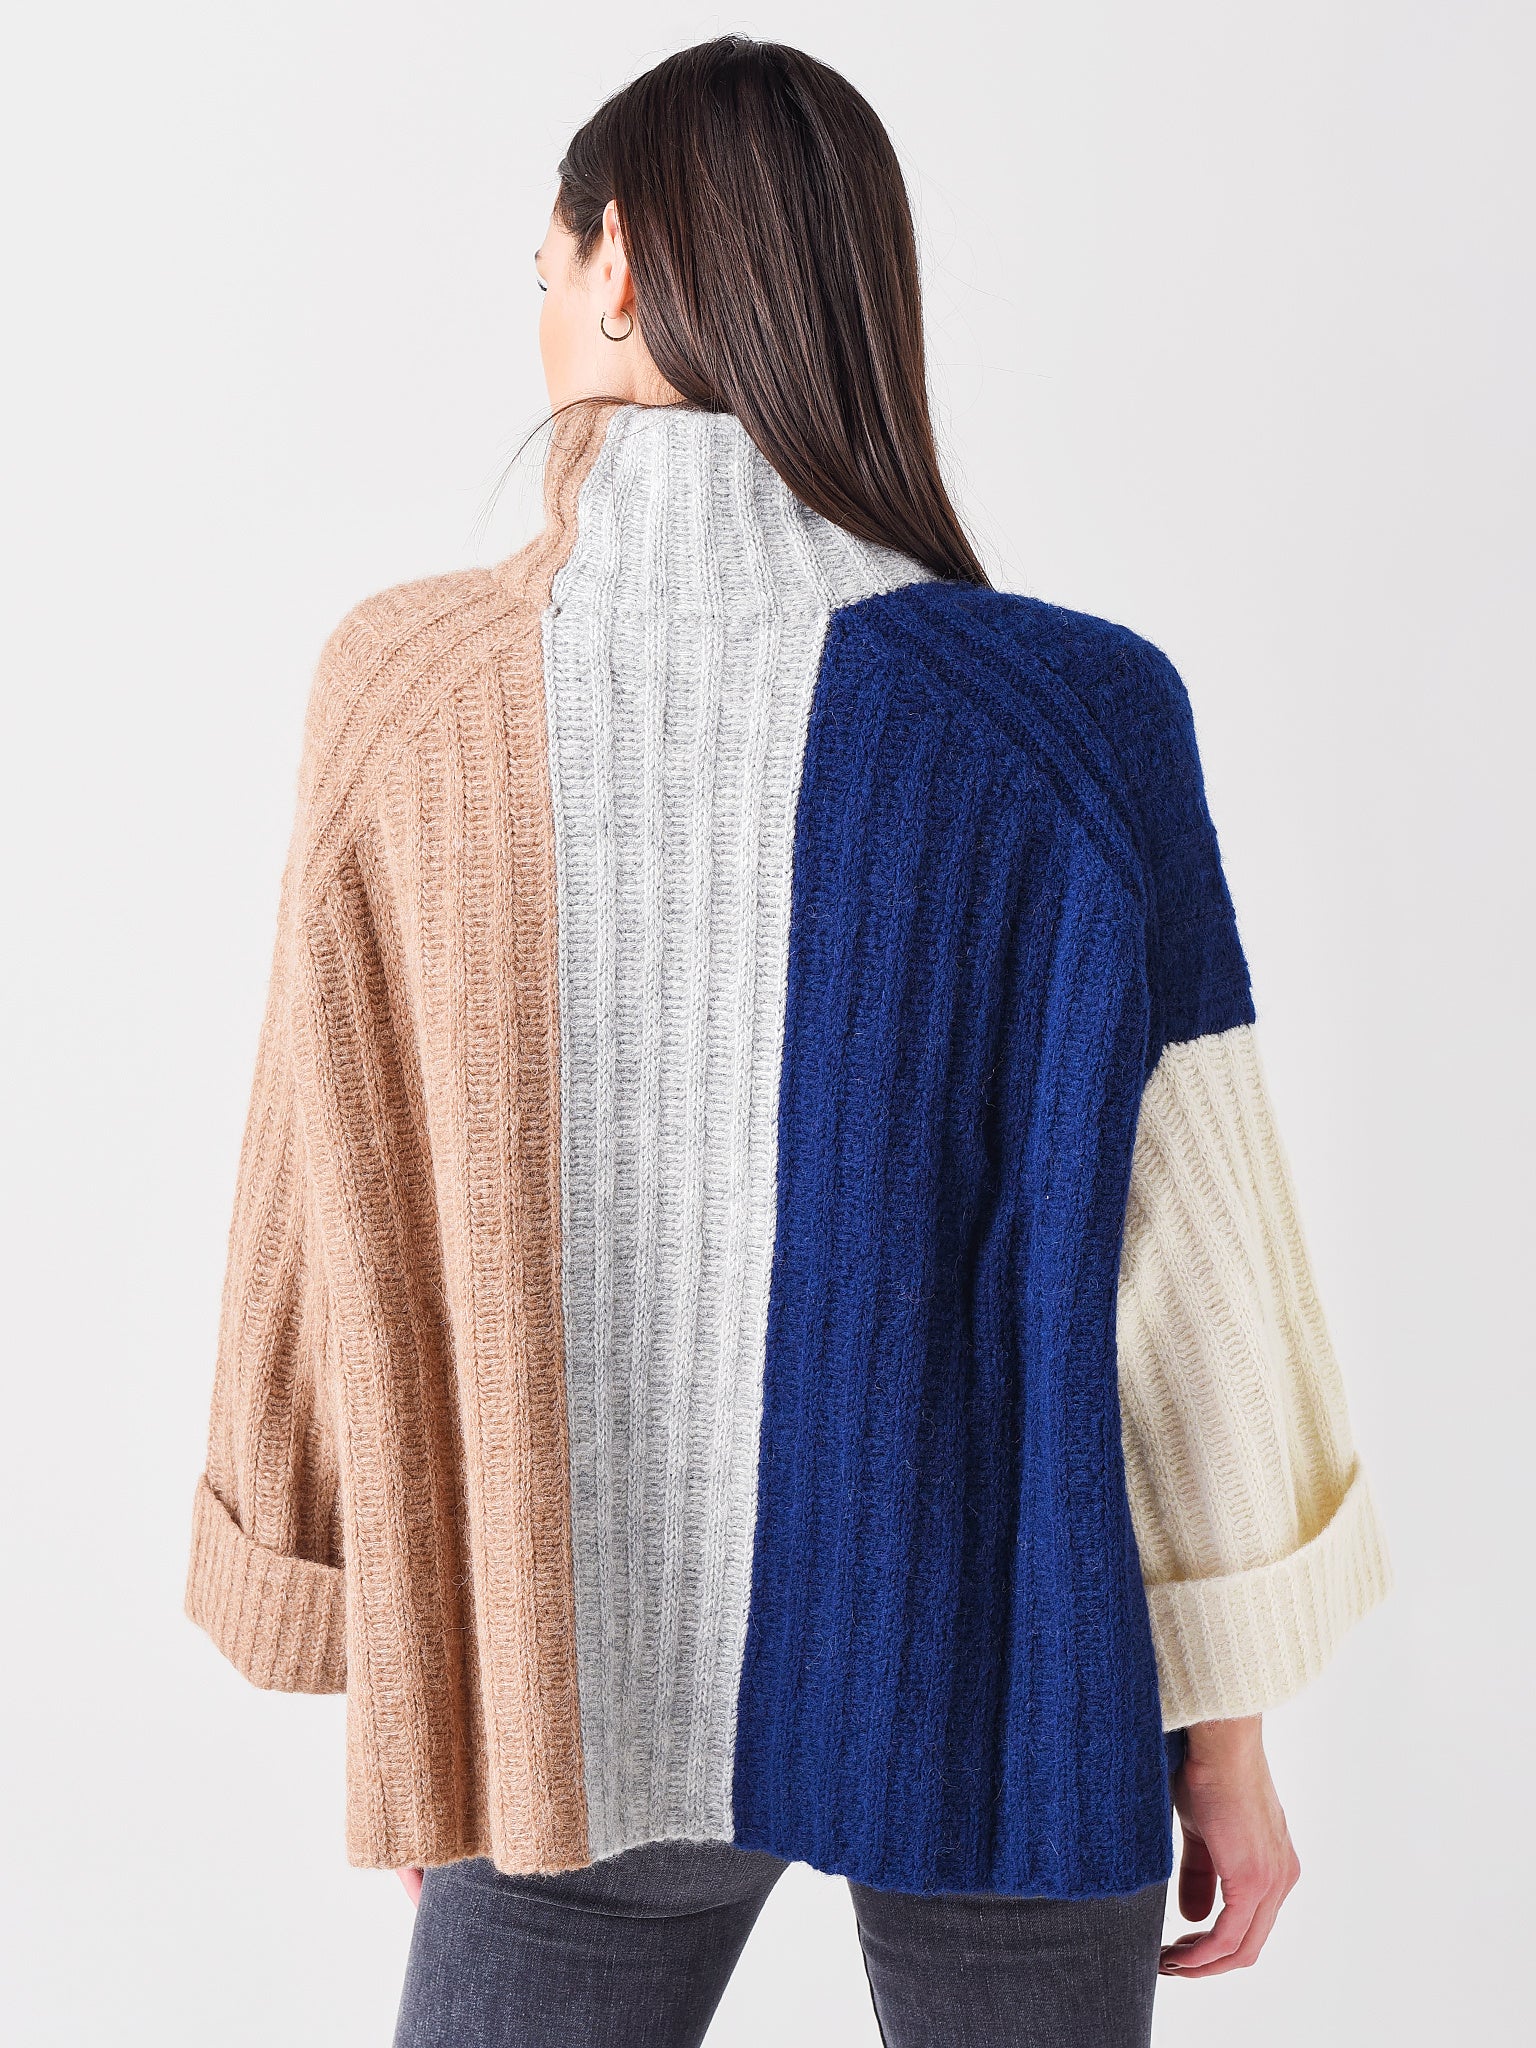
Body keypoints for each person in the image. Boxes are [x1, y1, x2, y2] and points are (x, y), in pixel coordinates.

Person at [183, 35, 1391, 2048]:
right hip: (1011, 1674)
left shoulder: (404, 693)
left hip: (563, 1682)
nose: (540, 313)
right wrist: (1232, 1730)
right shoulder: (1076, 718)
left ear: (617, 263)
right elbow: (1197, 1272)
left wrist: (423, 1677)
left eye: (542, 270)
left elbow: (323, 1188)